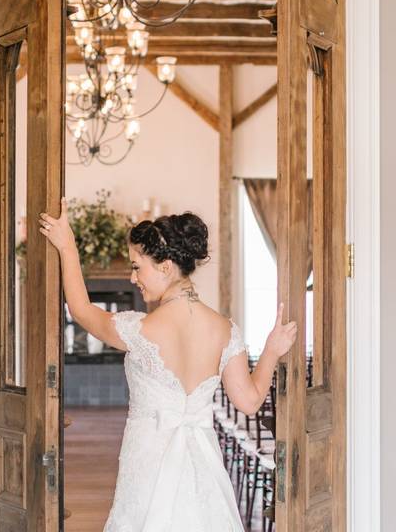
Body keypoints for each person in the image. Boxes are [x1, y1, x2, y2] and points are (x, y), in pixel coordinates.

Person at [39, 199, 296, 532]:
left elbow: (82, 309)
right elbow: (248, 402)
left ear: (164, 267)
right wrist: (272, 352)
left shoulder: (141, 329)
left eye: (136, 266)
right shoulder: (224, 330)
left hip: (147, 460)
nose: (132, 278)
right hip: (204, 463)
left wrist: (67, 247)